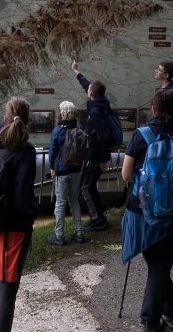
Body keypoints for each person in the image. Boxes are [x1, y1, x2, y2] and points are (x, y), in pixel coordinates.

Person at [121, 89, 173, 332]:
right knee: (160, 264)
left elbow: (126, 174)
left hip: (141, 213)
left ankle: (149, 321)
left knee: (157, 264)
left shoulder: (140, 136)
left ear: (152, 109)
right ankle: (171, 314)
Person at [0, 97, 39, 332]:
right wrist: (35, 210)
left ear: (6, 115)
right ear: (27, 119)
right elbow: (23, 199)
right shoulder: (25, 151)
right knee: (7, 293)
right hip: (14, 229)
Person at [71, 59, 111, 232]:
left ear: (91, 94)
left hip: (95, 155)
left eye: (88, 90)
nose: (87, 90)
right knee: (89, 186)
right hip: (94, 154)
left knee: (85, 187)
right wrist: (77, 73)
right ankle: (99, 216)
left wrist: (103, 159)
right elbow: (88, 86)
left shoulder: (95, 112)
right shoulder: (101, 102)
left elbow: (105, 136)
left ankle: (98, 220)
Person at [47, 100, 85, 245]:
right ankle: (79, 233)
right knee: (74, 201)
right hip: (76, 170)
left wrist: (52, 167)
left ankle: (59, 236)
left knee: (60, 203)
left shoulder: (58, 131)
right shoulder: (79, 128)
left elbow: (52, 152)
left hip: (62, 172)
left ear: (62, 113)